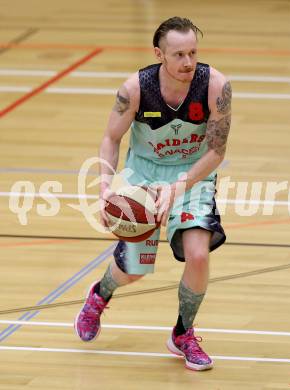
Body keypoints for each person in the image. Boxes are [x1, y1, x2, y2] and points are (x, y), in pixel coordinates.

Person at [75, 16, 231, 371]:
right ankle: (100, 294)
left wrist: (180, 186)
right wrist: (104, 190)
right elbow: (111, 139)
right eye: (178, 54)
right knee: (135, 270)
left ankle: (183, 333)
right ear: (159, 54)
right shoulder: (135, 89)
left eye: (193, 52)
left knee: (198, 255)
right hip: (142, 175)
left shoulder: (216, 86)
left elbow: (216, 151)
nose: (188, 62)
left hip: (193, 175)